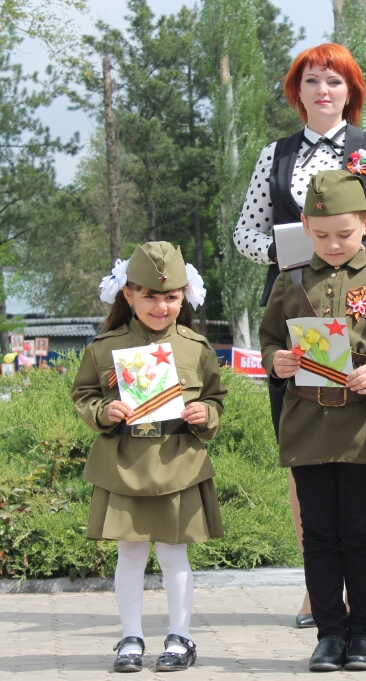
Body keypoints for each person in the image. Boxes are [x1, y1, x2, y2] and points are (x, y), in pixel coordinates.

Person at [233, 43, 366, 628]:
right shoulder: (274, 155)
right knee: (303, 452)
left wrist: (352, 252)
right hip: (295, 311)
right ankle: (318, 593)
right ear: (297, 90)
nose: (323, 90)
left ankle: (356, 602)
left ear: (351, 89)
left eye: (334, 81)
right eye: (312, 81)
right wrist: (293, 255)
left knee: (355, 457)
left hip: (361, 315)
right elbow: (244, 235)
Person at [259, 171, 366, 672]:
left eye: (344, 234)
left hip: (361, 430)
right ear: (303, 225)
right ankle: (329, 634)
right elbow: (267, 340)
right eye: (321, 233)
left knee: (361, 533)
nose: (332, 244)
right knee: (319, 535)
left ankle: (364, 636)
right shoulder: (290, 280)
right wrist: (276, 361)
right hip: (306, 424)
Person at [74, 243, 225, 673]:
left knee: (175, 553)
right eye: (151, 296)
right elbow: (84, 394)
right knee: (131, 553)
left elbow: (216, 398)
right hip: (124, 462)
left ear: (184, 296)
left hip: (178, 461)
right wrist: (105, 411)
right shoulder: (105, 347)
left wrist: (205, 413)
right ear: (129, 296)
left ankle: (180, 637)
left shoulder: (196, 346)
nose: (162, 306)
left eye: (172, 296)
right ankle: (130, 638)